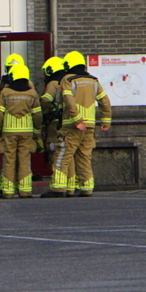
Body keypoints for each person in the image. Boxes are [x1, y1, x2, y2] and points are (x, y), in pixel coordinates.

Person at [43, 51, 111, 198]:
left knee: (63, 156)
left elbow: (68, 100)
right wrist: (105, 120)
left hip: (72, 125)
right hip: (90, 126)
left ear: (69, 64)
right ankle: (86, 188)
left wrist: (76, 119)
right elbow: (105, 101)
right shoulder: (94, 80)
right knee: (84, 156)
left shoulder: (68, 79)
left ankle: (58, 189)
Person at [0, 63, 42, 198]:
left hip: (8, 132)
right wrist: (37, 130)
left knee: (9, 160)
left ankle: (8, 191)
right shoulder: (32, 93)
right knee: (25, 160)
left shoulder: (5, 92)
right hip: (26, 132)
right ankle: (25, 190)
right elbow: (37, 114)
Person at [39, 56, 76, 196]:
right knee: (69, 154)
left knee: (56, 153)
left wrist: (42, 110)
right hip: (68, 122)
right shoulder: (69, 81)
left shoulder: (54, 83)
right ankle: (71, 187)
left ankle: (58, 186)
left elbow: (45, 101)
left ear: (50, 70)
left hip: (55, 124)